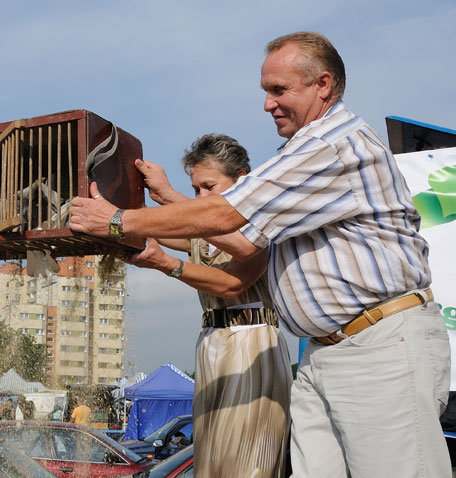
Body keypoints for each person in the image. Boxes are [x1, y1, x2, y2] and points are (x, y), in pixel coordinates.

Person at [69, 31, 451, 477]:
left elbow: (231, 223)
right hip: (324, 351)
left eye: (279, 90)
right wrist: (145, 211)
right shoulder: (301, 151)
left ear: (323, 85)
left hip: (376, 347)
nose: (267, 104)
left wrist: (120, 221)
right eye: (266, 91)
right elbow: (242, 233)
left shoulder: (332, 145)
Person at [129, 135, 291, 477]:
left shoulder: (259, 222)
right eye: (195, 188)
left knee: (245, 462)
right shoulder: (203, 229)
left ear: (242, 179)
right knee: (212, 461)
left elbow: (232, 284)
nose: (200, 197)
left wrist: (166, 263)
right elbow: (154, 227)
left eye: (209, 187)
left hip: (252, 343)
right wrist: (119, 201)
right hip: (211, 341)